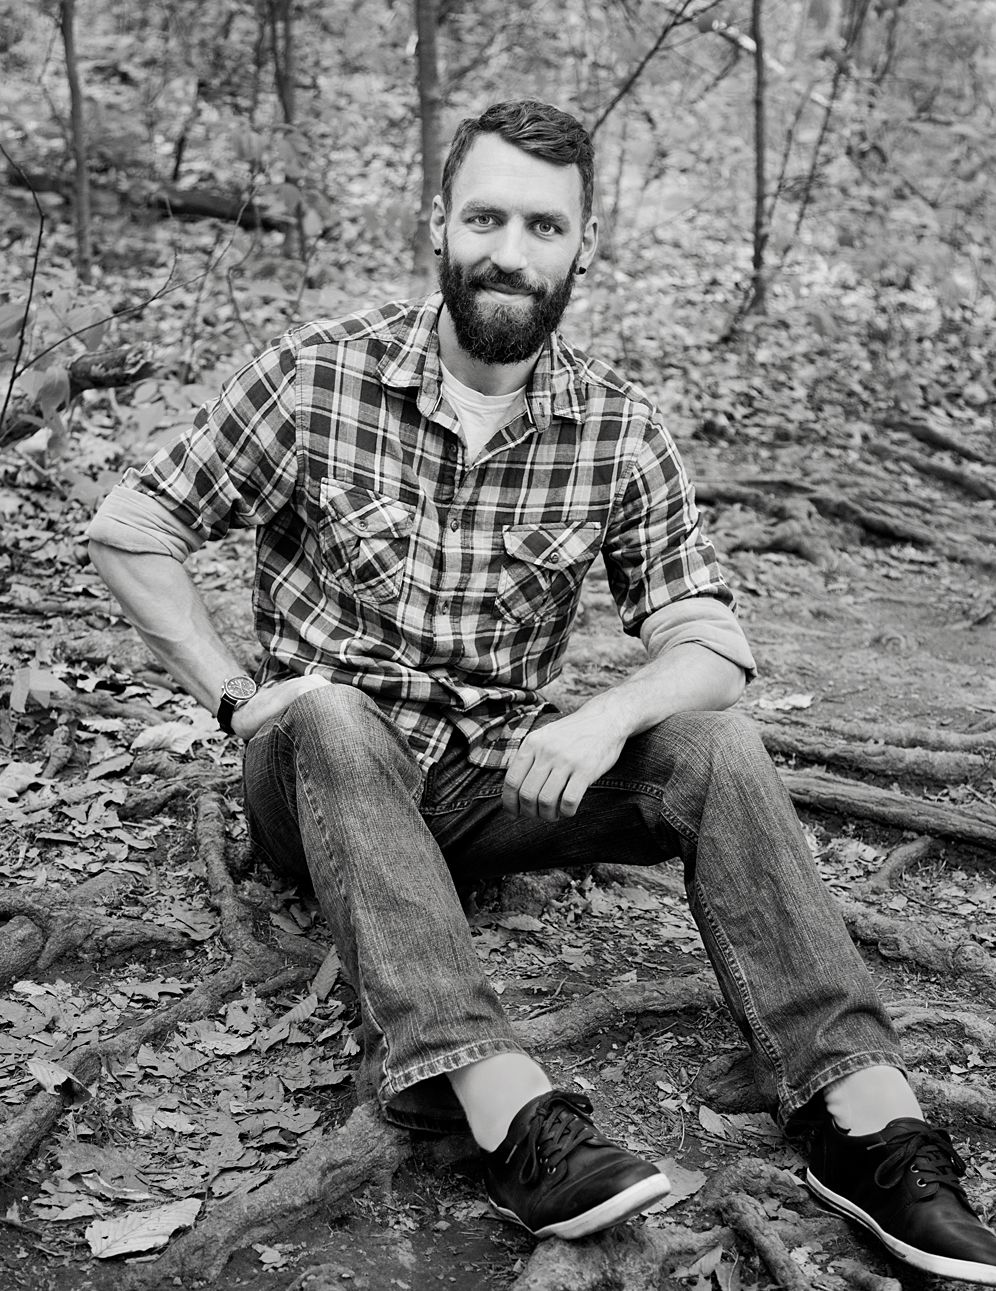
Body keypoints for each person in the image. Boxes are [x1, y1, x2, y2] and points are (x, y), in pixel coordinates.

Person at [87, 100, 996, 1277]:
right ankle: (497, 1099)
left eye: (542, 226)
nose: (509, 252)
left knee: (715, 744)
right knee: (326, 708)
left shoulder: (616, 430)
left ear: (583, 245)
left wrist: (606, 718)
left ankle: (860, 1117)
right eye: (485, 218)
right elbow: (132, 527)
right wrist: (227, 692)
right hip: (318, 782)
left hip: (484, 788)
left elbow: (713, 642)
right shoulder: (316, 375)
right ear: (439, 223)